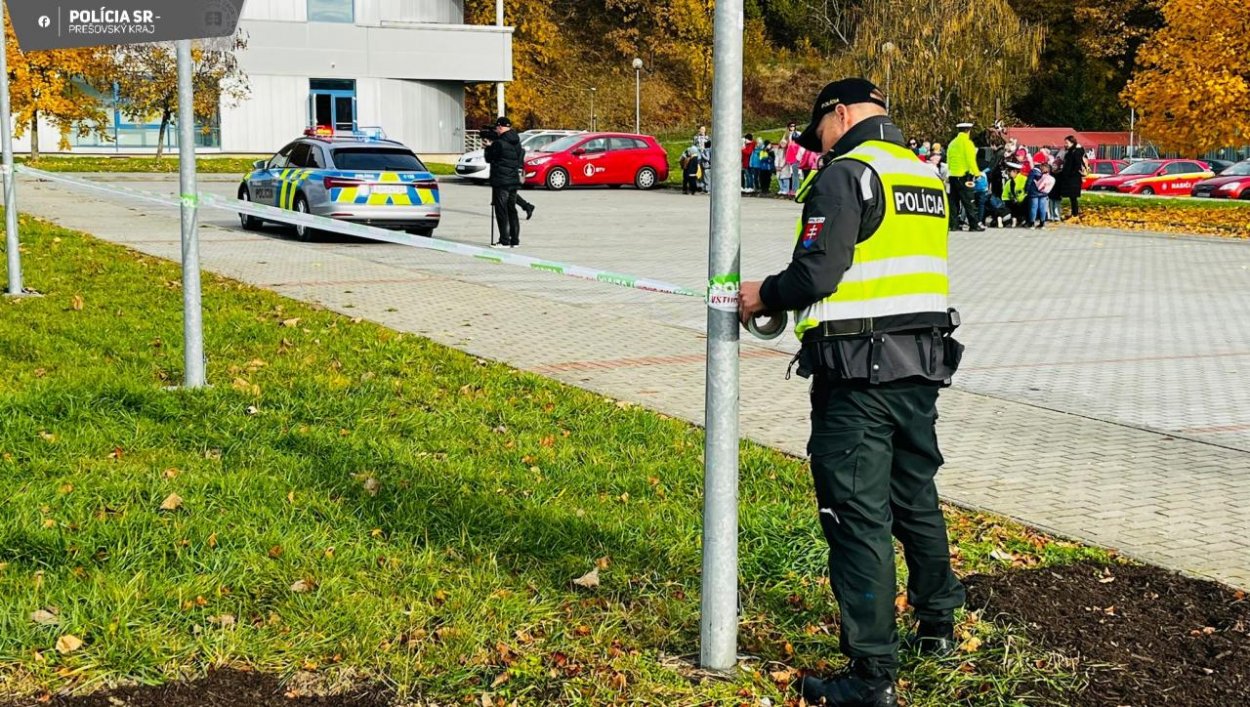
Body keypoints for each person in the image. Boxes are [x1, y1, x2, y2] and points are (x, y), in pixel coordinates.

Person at [739, 77, 966, 707]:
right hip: (922, 366)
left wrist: (765, 294)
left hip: (858, 375)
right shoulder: (921, 174)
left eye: (820, 133)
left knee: (856, 515)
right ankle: (938, 624)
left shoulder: (847, 173)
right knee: (915, 494)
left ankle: (871, 676)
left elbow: (820, 270)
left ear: (838, 115)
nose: (818, 145)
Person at [484, 116, 527, 248]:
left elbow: (490, 158)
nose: (496, 130)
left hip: (501, 181)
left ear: (501, 127)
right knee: (511, 209)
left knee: (501, 211)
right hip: (513, 179)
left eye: (497, 127)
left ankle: (504, 241)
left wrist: (488, 147)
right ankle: (515, 240)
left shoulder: (499, 143)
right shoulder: (517, 141)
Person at [946, 122, 984, 231]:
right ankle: (974, 225)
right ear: (968, 131)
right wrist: (977, 174)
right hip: (963, 176)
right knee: (969, 201)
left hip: (953, 175)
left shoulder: (952, 143)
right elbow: (971, 160)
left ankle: (953, 225)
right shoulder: (968, 143)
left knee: (953, 202)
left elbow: (948, 159)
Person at [1054, 135, 1088, 220]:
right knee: (1072, 197)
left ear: (1072, 143)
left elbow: (1076, 165)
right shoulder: (1071, 151)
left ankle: (1075, 214)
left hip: (1073, 179)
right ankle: (1074, 213)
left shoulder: (1075, 152)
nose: (1065, 144)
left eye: (1067, 143)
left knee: (1073, 197)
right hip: (1072, 178)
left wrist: (1068, 173)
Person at [1001, 161, 1028, 226]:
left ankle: (1023, 219)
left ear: (1015, 171)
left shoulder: (1024, 179)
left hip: (1023, 203)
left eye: (1010, 171)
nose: (1009, 173)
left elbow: (1027, 192)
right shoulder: (1009, 182)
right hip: (1013, 203)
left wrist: (1021, 199)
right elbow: (1005, 196)